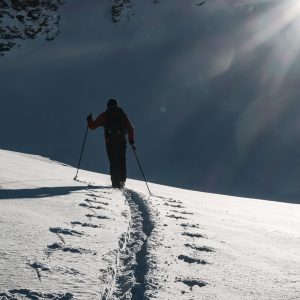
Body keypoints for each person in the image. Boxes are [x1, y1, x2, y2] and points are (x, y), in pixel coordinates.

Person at [87, 99, 135, 188]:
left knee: (113, 161)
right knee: (121, 160)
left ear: (108, 105)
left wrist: (89, 120)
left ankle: (115, 183)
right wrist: (131, 140)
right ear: (116, 104)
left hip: (111, 141)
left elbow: (92, 126)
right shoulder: (122, 115)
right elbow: (130, 128)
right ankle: (122, 181)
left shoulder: (105, 115)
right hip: (121, 141)